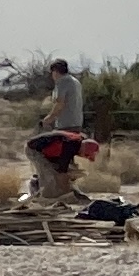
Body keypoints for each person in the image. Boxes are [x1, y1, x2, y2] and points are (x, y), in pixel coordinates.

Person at [29, 59, 96, 202]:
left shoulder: (63, 82)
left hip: (65, 125)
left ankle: (52, 190)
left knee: (60, 162)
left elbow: (60, 103)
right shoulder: (75, 82)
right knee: (65, 161)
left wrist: (48, 119)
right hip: (77, 123)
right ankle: (64, 189)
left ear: (55, 71)